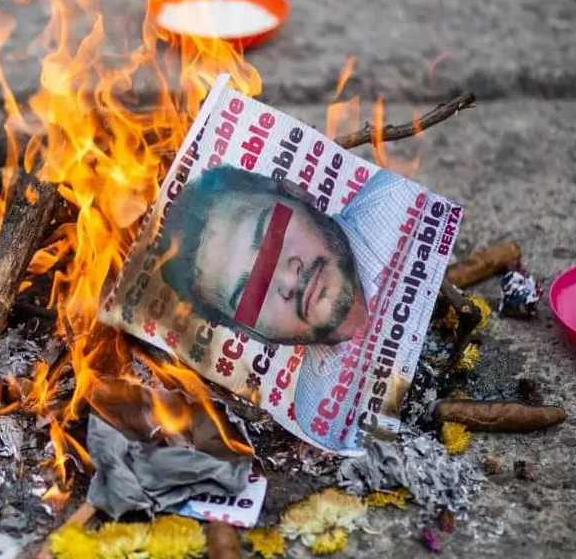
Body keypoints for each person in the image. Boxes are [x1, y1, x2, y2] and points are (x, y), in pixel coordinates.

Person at [159, 164, 420, 448]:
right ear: (253, 334)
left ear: (299, 193)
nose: (288, 280)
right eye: (251, 293)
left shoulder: (404, 202)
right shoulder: (324, 415)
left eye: (272, 234)